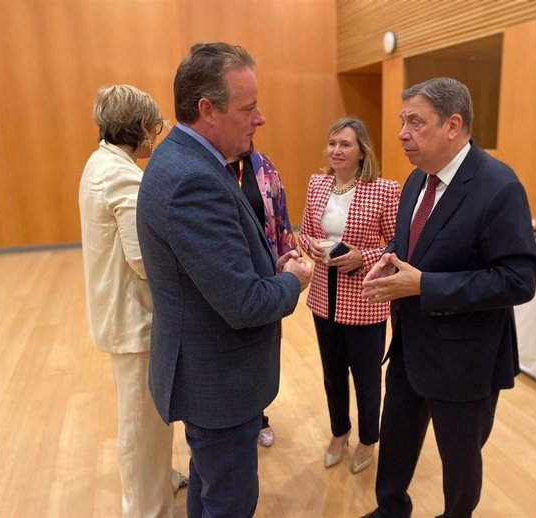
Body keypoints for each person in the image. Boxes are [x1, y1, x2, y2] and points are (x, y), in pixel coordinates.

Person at [136, 42, 312, 518]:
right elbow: (244, 304)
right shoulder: (193, 180)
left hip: (206, 369)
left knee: (209, 487)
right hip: (220, 379)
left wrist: (262, 271)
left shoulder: (182, 161)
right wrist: (293, 279)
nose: (260, 119)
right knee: (230, 500)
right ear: (207, 110)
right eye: (249, 108)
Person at [360, 78, 536, 518]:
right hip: (407, 347)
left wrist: (425, 286)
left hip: (465, 362)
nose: (402, 133)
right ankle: (390, 510)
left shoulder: (498, 186)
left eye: (415, 122)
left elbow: (519, 279)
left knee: (459, 464)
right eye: (403, 121)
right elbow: (412, 247)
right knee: (396, 444)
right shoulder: (415, 181)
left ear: (453, 125)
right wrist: (389, 259)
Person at [79, 84, 186, 518]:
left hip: (120, 313)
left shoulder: (99, 162)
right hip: (134, 320)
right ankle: (147, 508)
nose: (156, 137)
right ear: (142, 128)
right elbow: (144, 259)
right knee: (143, 426)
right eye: (155, 128)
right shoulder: (124, 175)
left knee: (150, 421)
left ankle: (160, 480)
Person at [298, 118, 400, 474]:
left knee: (367, 378)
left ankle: (369, 439)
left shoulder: (384, 190)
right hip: (323, 298)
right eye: (332, 143)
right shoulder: (317, 183)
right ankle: (339, 432)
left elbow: (396, 244)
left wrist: (363, 257)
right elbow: (306, 231)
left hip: (365, 298)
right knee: (332, 374)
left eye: (345, 144)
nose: (336, 151)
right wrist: (311, 246)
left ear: (362, 152)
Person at [229, 143, 299, 448]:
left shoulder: (262, 166)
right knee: (227, 347)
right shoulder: (207, 167)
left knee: (260, 346)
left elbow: (281, 219)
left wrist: (290, 257)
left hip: (265, 275)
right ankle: (226, 421)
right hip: (226, 270)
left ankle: (258, 416)